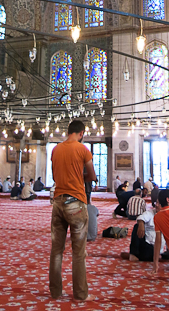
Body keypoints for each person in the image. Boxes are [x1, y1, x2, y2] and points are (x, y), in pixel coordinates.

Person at [49, 120, 97, 302]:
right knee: (78, 253)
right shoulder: (83, 150)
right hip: (76, 203)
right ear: (81, 133)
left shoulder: (56, 150)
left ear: (67, 131)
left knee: (56, 251)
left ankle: (55, 292)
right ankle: (80, 294)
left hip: (58, 202)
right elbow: (91, 176)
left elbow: (55, 176)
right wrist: (80, 175)